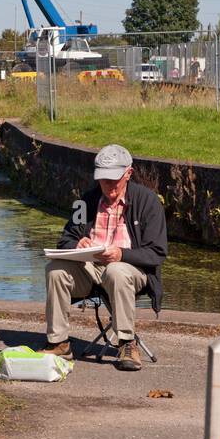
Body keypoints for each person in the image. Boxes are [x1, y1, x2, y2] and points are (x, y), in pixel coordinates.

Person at [40, 144, 167, 371]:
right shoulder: (84, 201)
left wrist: (121, 254)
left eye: (113, 179)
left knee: (116, 271)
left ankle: (127, 343)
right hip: (90, 269)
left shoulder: (149, 202)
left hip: (131, 269)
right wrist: (78, 243)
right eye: (103, 179)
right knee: (56, 270)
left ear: (128, 173)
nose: (108, 186)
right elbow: (66, 238)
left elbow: (157, 253)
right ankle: (58, 342)